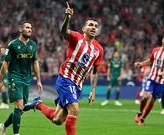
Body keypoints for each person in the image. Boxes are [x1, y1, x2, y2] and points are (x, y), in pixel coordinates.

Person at [23, 3, 104, 135]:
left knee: (57, 119)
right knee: (75, 109)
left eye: (95, 26)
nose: (93, 27)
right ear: (84, 28)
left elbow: (95, 72)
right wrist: (68, 18)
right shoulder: (77, 38)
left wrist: (93, 90)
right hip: (66, 78)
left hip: (77, 85)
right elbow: (64, 32)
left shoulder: (98, 49)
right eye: (90, 25)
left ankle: (38, 104)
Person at [0, 21, 43, 135]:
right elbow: (5, 63)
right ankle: (16, 133)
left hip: (27, 79)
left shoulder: (33, 45)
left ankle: (4, 125)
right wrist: (0, 79)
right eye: (27, 27)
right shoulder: (12, 45)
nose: (30, 29)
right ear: (20, 29)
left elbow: (35, 63)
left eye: (31, 28)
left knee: (20, 108)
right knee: (19, 105)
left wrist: (38, 80)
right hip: (14, 78)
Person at [134, 33, 164, 126]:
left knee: (152, 100)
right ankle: (140, 113)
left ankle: (143, 119)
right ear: (163, 40)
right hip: (152, 78)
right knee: (146, 96)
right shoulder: (155, 50)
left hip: (162, 82)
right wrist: (141, 64)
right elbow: (151, 60)